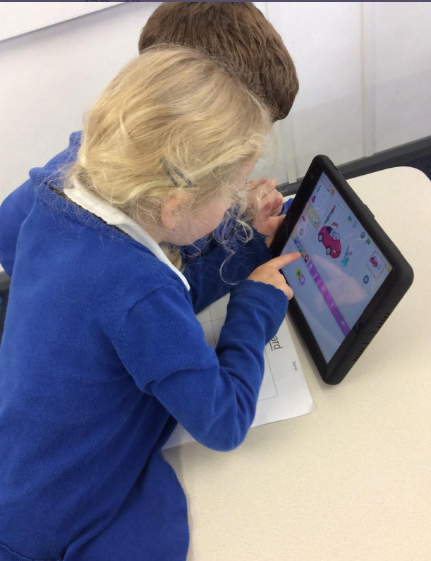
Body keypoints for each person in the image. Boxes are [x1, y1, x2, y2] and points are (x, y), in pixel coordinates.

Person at [0, 46, 300, 561]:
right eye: (230, 195)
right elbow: (223, 422)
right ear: (175, 207)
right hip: (49, 526)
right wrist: (254, 307)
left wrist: (247, 242)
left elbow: (145, 297)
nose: (235, 203)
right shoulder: (139, 291)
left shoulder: (53, 199)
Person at [0, 1, 299, 286]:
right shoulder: (106, 244)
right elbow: (166, 292)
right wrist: (248, 249)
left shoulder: (134, 150)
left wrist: (229, 208)